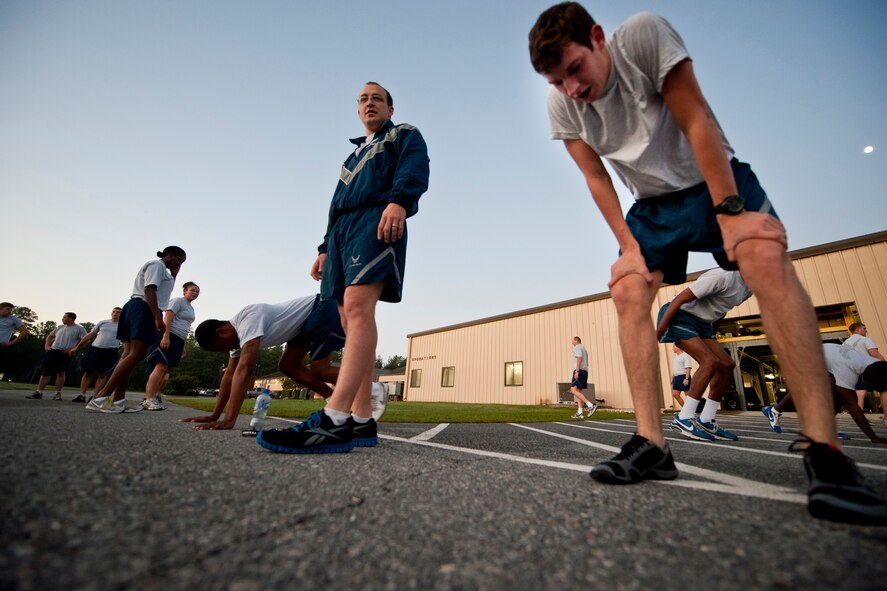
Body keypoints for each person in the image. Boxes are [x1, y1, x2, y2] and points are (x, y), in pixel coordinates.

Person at [528, 3, 886, 524]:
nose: (572, 89)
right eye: (558, 81)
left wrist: (732, 213)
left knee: (765, 260)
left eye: (575, 70)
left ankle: (825, 451)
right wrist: (629, 247)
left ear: (599, 39)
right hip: (653, 205)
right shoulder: (561, 103)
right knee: (628, 290)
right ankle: (652, 444)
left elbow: (695, 118)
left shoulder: (644, 37)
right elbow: (597, 178)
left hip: (712, 174)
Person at [256, 82, 429, 455]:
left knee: (357, 308)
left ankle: (334, 419)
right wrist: (323, 248)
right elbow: (334, 205)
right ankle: (362, 420)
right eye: (363, 99)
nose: (370, 103)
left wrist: (399, 202)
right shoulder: (351, 158)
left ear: (390, 109)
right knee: (347, 320)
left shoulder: (402, 134)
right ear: (357, 110)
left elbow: (415, 169)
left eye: (377, 98)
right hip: (341, 234)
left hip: (376, 218)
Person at [181, 295, 386, 432]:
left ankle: (373, 388)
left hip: (323, 308)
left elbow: (245, 369)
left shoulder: (248, 318)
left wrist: (229, 420)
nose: (225, 351)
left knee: (320, 369)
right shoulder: (235, 341)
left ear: (222, 331)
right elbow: (230, 375)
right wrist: (215, 415)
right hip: (302, 328)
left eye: (220, 347)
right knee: (287, 366)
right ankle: (332, 398)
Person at [86, 246, 186, 414]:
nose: (179, 264)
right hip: (144, 308)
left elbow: (163, 290)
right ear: (170, 255)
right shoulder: (157, 265)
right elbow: (150, 289)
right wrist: (156, 317)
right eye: (179, 260)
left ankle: (118, 401)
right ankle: (100, 398)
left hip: (141, 308)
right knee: (137, 354)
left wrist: (175, 274)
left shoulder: (165, 272)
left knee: (128, 356)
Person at [656, 268, 751, 441]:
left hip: (704, 324)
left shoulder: (748, 289)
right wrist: (661, 329)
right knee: (710, 362)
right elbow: (679, 299)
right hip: (680, 316)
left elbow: (722, 309)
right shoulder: (722, 277)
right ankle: (683, 418)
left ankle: (707, 419)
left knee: (727, 365)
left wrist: (712, 335)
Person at [763, 344, 887, 445]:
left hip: (827, 355)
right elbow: (853, 406)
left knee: (837, 397)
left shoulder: (876, 363)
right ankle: (774, 411)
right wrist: (873, 437)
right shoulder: (847, 370)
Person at [142, 282, 200, 411]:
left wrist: (183, 346)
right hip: (170, 335)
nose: (195, 293)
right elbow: (168, 317)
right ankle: (148, 399)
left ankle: (154, 398)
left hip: (179, 339)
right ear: (185, 291)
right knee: (160, 366)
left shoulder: (190, 308)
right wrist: (166, 336)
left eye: (197, 291)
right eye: (192, 290)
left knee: (165, 368)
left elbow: (186, 327)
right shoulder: (178, 301)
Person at [26, 312, 87, 400]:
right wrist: (47, 345)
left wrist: (74, 348)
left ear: (71, 318)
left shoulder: (79, 329)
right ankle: (39, 392)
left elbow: (85, 340)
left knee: (61, 373)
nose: (63, 319)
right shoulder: (59, 327)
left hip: (65, 353)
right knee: (46, 372)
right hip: (53, 351)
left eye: (65, 317)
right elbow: (50, 336)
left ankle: (57, 394)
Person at [69, 307, 122, 403]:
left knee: (103, 374)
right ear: (111, 313)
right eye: (114, 312)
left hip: (110, 351)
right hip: (95, 349)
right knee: (87, 372)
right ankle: (82, 395)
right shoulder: (103, 322)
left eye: (118, 312)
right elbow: (90, 335)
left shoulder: (123, 325)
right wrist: (77, 347)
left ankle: (95, 396)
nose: (115, 314)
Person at [842, 322, 885, 412]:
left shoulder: (845, 344)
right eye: (864, 328)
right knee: (884, 389)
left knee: (860, 393)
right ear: (857, 330)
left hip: (855, 371)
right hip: (871, 369)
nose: (866, 330)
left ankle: (859, 416)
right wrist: (884, 364)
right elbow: (875, 354)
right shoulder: (865, 339)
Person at [568, 336, 597, 418]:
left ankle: (591, 405)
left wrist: (577, 371)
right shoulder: (584, 349)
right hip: (584, 371)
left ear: (576, 340)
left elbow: (579, 358)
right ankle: (580, 412)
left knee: (573, 390)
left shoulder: (577, 347)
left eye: (572, 340)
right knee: (579, 392)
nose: (572, 342)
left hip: (579, 371)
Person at [0, 302, 29, 380]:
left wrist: (11, 343)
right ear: (1, 308)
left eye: (11, 309)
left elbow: (25, 331)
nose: (10, 311)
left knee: (1, 367)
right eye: (7, 309)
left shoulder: (13, 319)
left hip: (2, 346)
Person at [668, 345, 692, 411]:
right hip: (676, 378)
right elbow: (675, 369)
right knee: (675, 394)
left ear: (678, 347)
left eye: (673, 347)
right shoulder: (676, 357)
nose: (672, 348)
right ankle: (685, 410)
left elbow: (688, 368)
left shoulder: (685, 356)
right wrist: (672, 378)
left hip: (683, 376)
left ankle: (692, 410)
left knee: (688, 396)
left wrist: (686, 378)